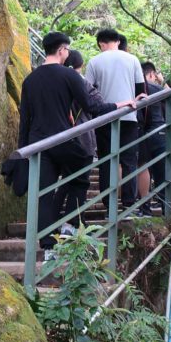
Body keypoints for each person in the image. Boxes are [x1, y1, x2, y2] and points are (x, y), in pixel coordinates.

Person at [18, 32, 136, 259]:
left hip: (37, 144)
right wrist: (122, 103)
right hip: (62, 139)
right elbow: (93, 105)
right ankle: (71, 225)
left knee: (44, 194)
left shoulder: (29, 80)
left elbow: (25, 120)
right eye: (67, 50)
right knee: (81, 177)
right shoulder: (68, 76)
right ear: (62, 50)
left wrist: (22, 151)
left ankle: (48, 247)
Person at [85, 28, 146, 215]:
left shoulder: (94, 62)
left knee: (106, 162)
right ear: (118, 41)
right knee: (128, 161)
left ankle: (108, 204)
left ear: (101, 44)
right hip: (129, 116)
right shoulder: (133, 59)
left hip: (104, 118)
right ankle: (128, 204)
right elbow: (140, 90)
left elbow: (88, 92)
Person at [56, 49, 104, 226]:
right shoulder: (81, 83)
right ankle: (75, 221)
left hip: (62, 138)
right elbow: (97, 103)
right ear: (80, 65)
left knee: (67, 181)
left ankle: (54, 219)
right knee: (81, 182)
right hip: (83, 138)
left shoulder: (57, 82)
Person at [137, 62, 168, 215]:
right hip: (160, 132)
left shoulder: (138, 89)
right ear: (150, 74)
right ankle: (165, 208)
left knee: (143, 168)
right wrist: (162, 83)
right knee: (161, 174)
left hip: (144, 133)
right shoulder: (156, 88)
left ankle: (145, 207)